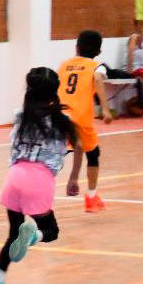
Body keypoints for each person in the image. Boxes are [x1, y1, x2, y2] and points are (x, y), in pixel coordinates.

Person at [0, 68, 78, 284]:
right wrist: (74, 177)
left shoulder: (20, 116)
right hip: (39, 179)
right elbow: (78, 147)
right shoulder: (61, 121)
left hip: (14, 177)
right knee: (51, 230)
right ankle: (34, 236)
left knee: (12, 233)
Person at [59, 30, 113, 213]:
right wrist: (105, 109)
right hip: (80, 117)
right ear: (98, 51)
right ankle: (91, 197)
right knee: (93, 153)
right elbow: (98, 79)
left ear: (77, 47)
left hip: (59, 115)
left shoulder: (64, 65)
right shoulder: (97, 66)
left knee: (57, 152)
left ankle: (32, 190)